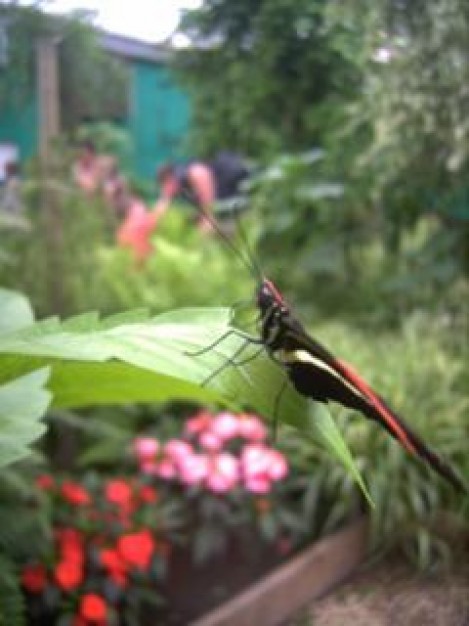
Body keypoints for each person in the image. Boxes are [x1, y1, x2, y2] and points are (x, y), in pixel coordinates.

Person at [155, 152, 250, 231]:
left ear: (169, 178)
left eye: (166, 185)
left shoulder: (192, 173)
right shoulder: (181, 181)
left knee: (208, 229)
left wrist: (207, 218)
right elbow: (162, 204)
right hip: (226, 206)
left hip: (239, 201)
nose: (166, 190)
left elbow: (209, 207)